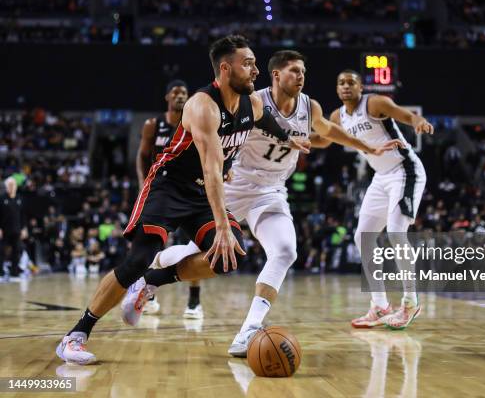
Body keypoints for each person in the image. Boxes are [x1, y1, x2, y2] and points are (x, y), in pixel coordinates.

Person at [55, 35, 309, 365]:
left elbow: (268, 122)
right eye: (248, 64)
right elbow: (213, 169)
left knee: (225, 257)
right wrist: (221, 224)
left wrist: (289, 137)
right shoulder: (202, 106)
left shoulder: (254, 105)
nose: (256, 70)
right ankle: (76, 335)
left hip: (200, 191)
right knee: (138, 258)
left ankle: (150, 282)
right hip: (169, 186)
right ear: (225, 67)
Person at [138, 50, 401, 357]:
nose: (301, 76)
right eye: (293, 71)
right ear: (276, 75)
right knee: (203, 256)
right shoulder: (252, 101)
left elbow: (330, 132)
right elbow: (215, 135)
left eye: (303, 71)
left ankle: (248, 329)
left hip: (271, 192)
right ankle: (154, 269)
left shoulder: (309, 106)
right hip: (234, 188)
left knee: (286, 250)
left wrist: (369, 146)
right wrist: (222, 166)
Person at [313, 69, 433, 330]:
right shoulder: (337, 116)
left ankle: (410, 302)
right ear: (336, 89)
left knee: (396, 233)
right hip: (380, 177)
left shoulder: (375, 102)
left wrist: (418, 122)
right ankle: (379, 305)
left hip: (405, 170)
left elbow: (406, 115)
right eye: (341, 82)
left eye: (351, 82)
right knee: (362, 236)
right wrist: (295, 141)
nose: (346, 86)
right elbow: (323, 141)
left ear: (360, 87)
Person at [136, 79, 204, 319]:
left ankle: (194, 302)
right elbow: (143, 156)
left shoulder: (194, 123)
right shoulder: (153, 125)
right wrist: (144, 186)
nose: (180, 96)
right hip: (163, 192)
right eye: (175, 92)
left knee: (194, 249)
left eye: (184, 92)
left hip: (189, 193)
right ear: (167, 97)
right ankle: (149, 296)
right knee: (151, 244)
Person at [0, 177, 27, 279]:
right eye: (9, 185)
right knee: (1, 251)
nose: (11, 187)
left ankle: (14, 272)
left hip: (17, 230)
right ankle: (0, 272)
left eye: (13, 185)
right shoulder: (2, 199)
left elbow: (23, 215)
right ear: (6, 187)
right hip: (4, 230)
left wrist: (24, 228)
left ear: (16, 186)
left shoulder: (20, 199)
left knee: (16, 251)